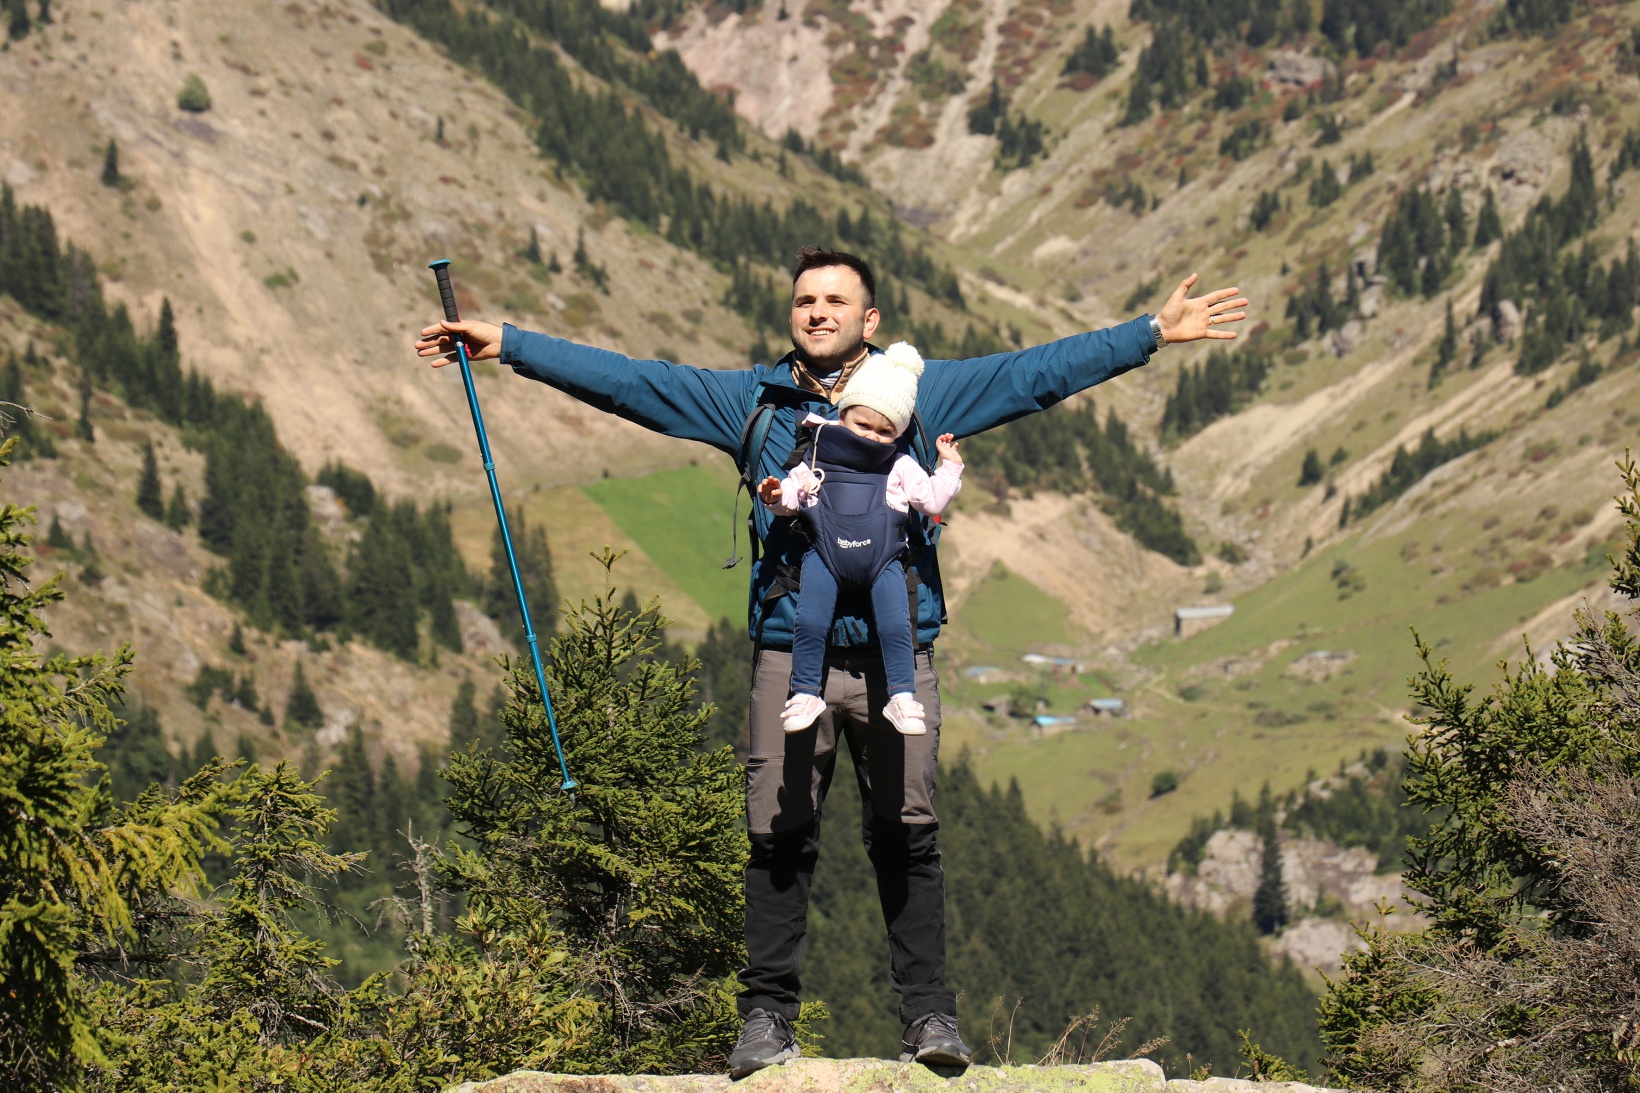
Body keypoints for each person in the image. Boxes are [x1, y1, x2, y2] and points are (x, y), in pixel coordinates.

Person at [415, 246, 1248, 1079]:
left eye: (835, 301)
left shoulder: (918, 392)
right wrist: (510, 344)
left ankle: (929, 1017)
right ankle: (766, 1020)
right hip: (792, 655)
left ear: (869, 318)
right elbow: (632, 383)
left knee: (908, 834)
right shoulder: (753, 402)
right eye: (805, 300)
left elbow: (1036, 374)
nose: (817, 312)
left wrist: (1149, 332)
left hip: (897, 658)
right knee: (777, 836)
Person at [756, 341, 964, 738]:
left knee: (896, 624)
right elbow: (793, 498)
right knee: (810, 620)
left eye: (886, 431)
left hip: (884, 561)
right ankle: (805, 693)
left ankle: (902, 696)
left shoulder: (901, 464)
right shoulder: (815, 455)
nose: (873, 437)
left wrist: (950, 467)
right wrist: (775, 496)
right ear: (844, 413)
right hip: (824, 557)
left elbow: (932, 501)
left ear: (899, 432)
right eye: (863, 425)